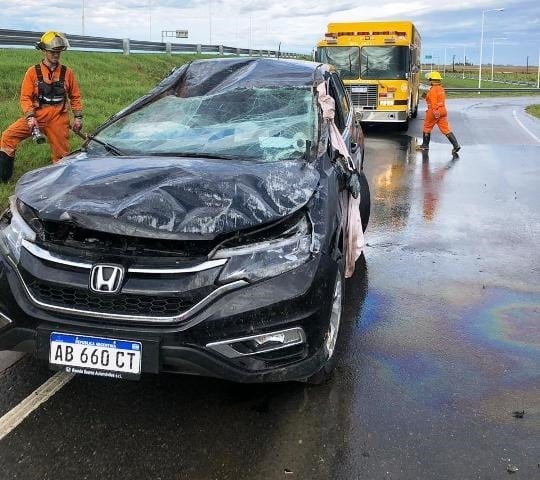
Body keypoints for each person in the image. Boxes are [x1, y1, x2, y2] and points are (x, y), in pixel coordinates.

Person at [0, 31, 83, 182]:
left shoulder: (67, 73)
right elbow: (25, 97)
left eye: (58, 52)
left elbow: (75, 96)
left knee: (62, 155)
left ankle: (62, 183)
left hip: (58, 117)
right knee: (8, 137)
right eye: (52, 52)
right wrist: (30, 117)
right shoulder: (32, 72)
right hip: (36, 116)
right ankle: (3, 177)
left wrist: (78, 117)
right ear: (44, 51)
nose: (56, 55)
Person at [416, 71, 460, 155]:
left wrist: (435, 112)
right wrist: (426, 96)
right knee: (445, 129)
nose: (429, 81)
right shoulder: (441, 89)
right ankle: (456, 145)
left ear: (431, 80)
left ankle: (425, 145)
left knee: (427, 127)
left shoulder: (432, 90)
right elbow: (436, 99)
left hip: (434, 111)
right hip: (443, 110)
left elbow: (433, 102)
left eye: (429, 80)